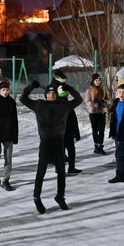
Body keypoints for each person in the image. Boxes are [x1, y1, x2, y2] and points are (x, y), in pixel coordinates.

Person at [20, 80, 83, 214]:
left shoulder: (63, 105)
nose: (51, 94)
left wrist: (69, 87)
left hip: (59, 143)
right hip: (45, 143)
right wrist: (31, 86)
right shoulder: (39, 105)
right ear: (45, 95)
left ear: (57, 94)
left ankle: (60, 197)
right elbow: (22, 98)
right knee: (41, 172)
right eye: (48, 92)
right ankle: (37, 197)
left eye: (53, 92)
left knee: (61, 172)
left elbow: (79, 99)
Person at [51, 69, 82, 175]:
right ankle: (59, 168)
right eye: (61, 77)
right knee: (60, 150)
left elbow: (73, 119)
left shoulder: (68, 104)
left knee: (70, 149)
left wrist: (76, 132)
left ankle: (71, 168)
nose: (64, 79)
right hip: (59, 129)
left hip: (68, 127)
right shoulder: (52, 89)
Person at [85, 73, 108, 155]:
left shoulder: (103, 90)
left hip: (101, 112)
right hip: (93, 112)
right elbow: (87, 102)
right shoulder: (89, 90)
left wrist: (104, 104)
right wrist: (96, 104)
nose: (98, 82)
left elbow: (106, 100)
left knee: (102, 130)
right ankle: (96, 147)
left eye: (99, 80)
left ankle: (101, 146)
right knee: (95, 130)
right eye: (96, 80)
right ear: (93, 81)